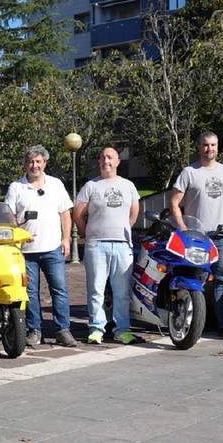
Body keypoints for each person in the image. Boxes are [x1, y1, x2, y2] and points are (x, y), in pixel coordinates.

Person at [169, 131, 223, 338]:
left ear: (218, 147)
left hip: (222, 237)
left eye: (213, 145)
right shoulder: (189, 173)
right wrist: (183, 227)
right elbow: (174, 202)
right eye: (205, 145)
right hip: (196, 238)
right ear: (198, 147)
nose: (209, 149)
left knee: (222, 281)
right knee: (193, 279)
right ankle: (194, 325)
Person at [4, 145, 76, 348]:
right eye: (30, 162)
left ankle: (63, 330)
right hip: (26, 252)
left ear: (44, 163)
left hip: (53, 247)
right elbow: (8, 218)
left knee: (60, 290)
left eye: (38, 161)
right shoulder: (16, 187)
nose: (34, 165)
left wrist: (66, 238)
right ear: (25, 164)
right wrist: (18, 234)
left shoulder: (56, 184)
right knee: (30, 293)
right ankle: (34, 330)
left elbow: (65, 213)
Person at [73, 147, 141, 345]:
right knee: (96, 290)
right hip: (97, 245)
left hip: (122, 245)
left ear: (118, 161)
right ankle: (96, 329)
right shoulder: (91, 186)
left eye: (110, 157)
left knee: (122, 292)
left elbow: (134, 213)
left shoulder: (128, 186)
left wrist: (122, 229)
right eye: (103, 157)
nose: (106, 160)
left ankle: (122, 330)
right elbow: (78, 213)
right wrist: (88, 232)